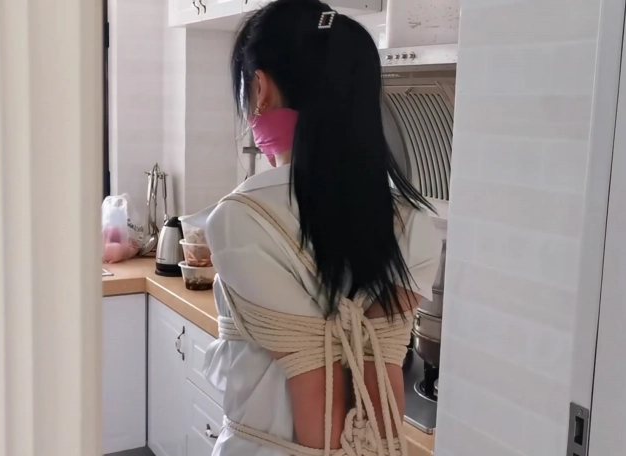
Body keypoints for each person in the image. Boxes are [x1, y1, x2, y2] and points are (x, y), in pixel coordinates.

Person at [182, 0, 445, 454]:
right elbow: (380, 379)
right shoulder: (416, 222)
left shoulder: (242, 218)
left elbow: (315, 387)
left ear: (260, 89)